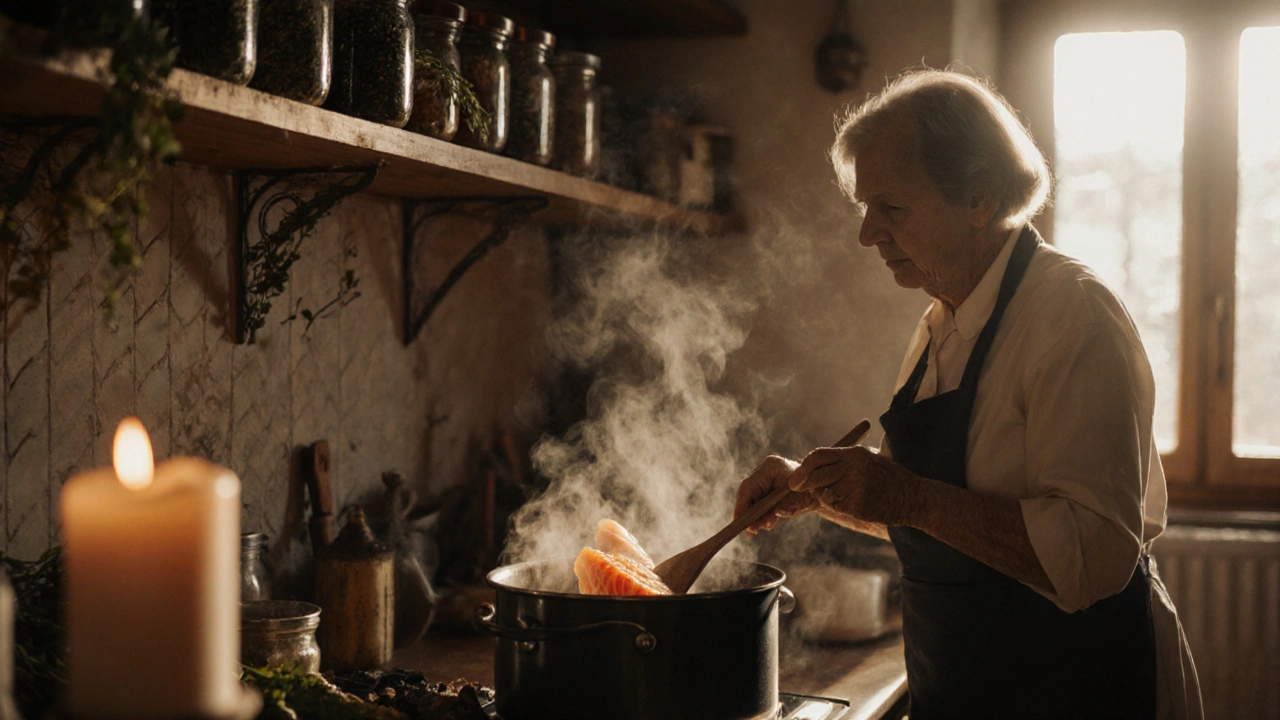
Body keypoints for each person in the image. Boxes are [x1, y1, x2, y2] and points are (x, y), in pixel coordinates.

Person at [735, 69, 1202, 719]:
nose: (868, 233)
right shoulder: (940, 322)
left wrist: (905, 494)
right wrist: (814, 492)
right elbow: (928, 515)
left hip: (1077, 691)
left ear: (978, 196)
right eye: (866, 208)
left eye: (891, 208)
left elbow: (1093, 559)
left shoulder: (1072, 316)